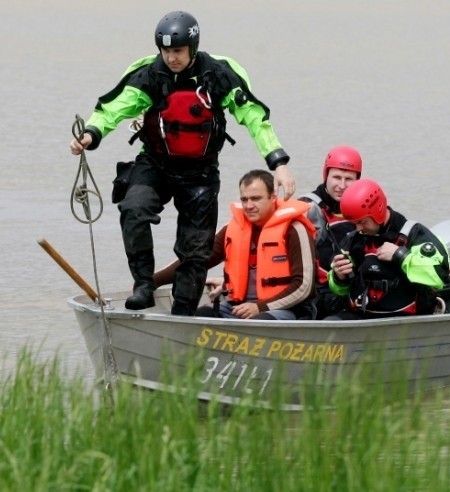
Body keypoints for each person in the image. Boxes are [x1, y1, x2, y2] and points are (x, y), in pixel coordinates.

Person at [69, 11, 296, 315]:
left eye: (177, 51)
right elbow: (114, 108)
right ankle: (143, 285)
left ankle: (183, 313)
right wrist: (90, 134)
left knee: (196, 251)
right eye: (165, 51)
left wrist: (277, 161)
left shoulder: (218, 74)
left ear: (192, 47)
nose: (171, 58)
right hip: (155, 164)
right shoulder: (149, 74)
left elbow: (254, 117)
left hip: (200, 174)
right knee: (134, 210)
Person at [158, 170, 317, 320]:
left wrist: (260, 307)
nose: (248, 206)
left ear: (273, 197)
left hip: (288, 309)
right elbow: (196, 261)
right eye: (244, 199)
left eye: (256, 199)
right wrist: (152, 280)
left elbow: (304, 287)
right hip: (239, 306)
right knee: (200, 317)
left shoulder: (295, 230)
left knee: (259, 323)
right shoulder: (232, 230)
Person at [325, 178, 450, 319]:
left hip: (405, 320)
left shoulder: (414, 234)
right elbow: (340, 290)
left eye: (362, 222)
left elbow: (439, 277)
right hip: (361, 319)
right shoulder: (355, 239)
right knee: (329, 324)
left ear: (377, 211)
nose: (358, 228)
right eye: (354, 223)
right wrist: (339, 277)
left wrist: (400, 255)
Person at [298, 145, 361, 319]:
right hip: (318, 292)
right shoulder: (307, 208)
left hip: (352, 286)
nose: (341, 185)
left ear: (358, 179)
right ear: (326, 176)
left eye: (349, 179)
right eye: (336, 177)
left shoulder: (367, 205)